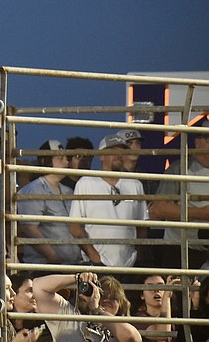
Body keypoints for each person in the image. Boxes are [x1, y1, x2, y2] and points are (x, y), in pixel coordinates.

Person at [70, 134, 147, 268]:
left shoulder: (135, 184)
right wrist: (94, 256)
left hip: (129, 263)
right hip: (96, 263)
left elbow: (143, 226)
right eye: (113, 151)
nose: (118, 155)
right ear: (101, 156)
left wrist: (138, 256)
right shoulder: (86, 183)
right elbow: (75, 227)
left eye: (122, 151)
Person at [150, 117, 209, 269]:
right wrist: (201, 213)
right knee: (176, 291)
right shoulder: (180, 168)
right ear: (197, 141)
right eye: (207, 137)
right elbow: (158, 209)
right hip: (181, 249)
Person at [16, 140, 83, 265]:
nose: (66, 162)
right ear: (46, 161)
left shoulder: (68, 191)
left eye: (66, 158)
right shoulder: (33, 190)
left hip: (70, 264)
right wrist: (52, 256)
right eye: (60, 158)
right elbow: (29, 228)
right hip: (45, 266)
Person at [33, 271, 141, 342]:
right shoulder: (72, 319)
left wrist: (97, 310)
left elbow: (130, 336)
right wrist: (77, 278)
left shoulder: (120, 331)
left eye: (114, 298)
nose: (107, 300)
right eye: (103, 296)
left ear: (121, 304)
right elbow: (38, 286)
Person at [131, 275, 176, 341]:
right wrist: (166, 297)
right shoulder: (138, 319)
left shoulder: (176, 315)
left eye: (160, 286)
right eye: (150, 287)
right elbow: (162, 334)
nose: (156, 290)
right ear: (142, 295)